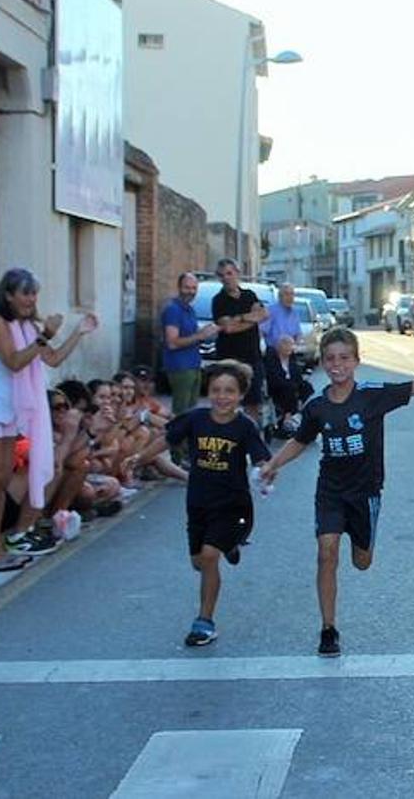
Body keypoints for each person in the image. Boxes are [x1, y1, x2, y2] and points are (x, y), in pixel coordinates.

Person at [260, 329, 414, 657]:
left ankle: (363, 545)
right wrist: (274, 463)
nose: (337, 365)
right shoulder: (317, 407)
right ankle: (328, 629)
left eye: (344, 358)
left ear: (356, 361)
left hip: (365, 493)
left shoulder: (371, 396)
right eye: (330, 359)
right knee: (326, 553)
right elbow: (300, 441)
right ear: (323, 363)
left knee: (362, 561)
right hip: (331, 492)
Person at [0, 268, 97, 571]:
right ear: (8, 295)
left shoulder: (27, 327)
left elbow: (53, 358)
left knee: (1, 481)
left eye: (34, 293)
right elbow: (14, 362)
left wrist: (78, 331)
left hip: (8, 410)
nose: (31, 299)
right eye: (25, 292)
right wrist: (46, 334)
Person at [144, 362, 271, 647]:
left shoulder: (244, 427)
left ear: (240, 396)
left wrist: (267, 470)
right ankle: (229, 546)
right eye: (216, 390)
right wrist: (137, 458)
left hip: (233, 507)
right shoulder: (195, 419)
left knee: (210, 555)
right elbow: (166, 439)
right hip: (199, 505)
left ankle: (204, 622)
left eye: (229, 391)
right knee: (199, 562)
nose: (222, 396)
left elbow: (262, 458)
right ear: (207, 392)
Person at [211, 258, 269, 422]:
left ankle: (252, 437)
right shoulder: (218, 300)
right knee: (227, 401)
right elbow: (228, 328)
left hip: (252, 357)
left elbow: (264, 314)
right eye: (222, 275)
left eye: (229, 273)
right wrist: (251, 318)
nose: (226, 278)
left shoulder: (250, 295)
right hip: (228, 359)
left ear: (237, 273)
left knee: (253, 403)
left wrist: (240, 317)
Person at [161, 272, 219, 418]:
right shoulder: (173, 309)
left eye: (194, 288)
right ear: (179, 287)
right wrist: (200, 336)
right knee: (181, 412)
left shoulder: (190, 309)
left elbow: (191, 335)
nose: (191, 292)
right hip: (180, 367)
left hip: (194, 365)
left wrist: (206, 332)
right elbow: (172, 342)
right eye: (187, 288)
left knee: (192, 411)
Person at [261, 283, 304, 364]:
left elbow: (298, 333)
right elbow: (262, 332)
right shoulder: (271, 311)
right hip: (274, 353)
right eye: (287, 294)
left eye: (292, 294)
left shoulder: (294, 312)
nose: (290, 297)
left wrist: (296, 345)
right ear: (280, 297)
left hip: (289, 353)